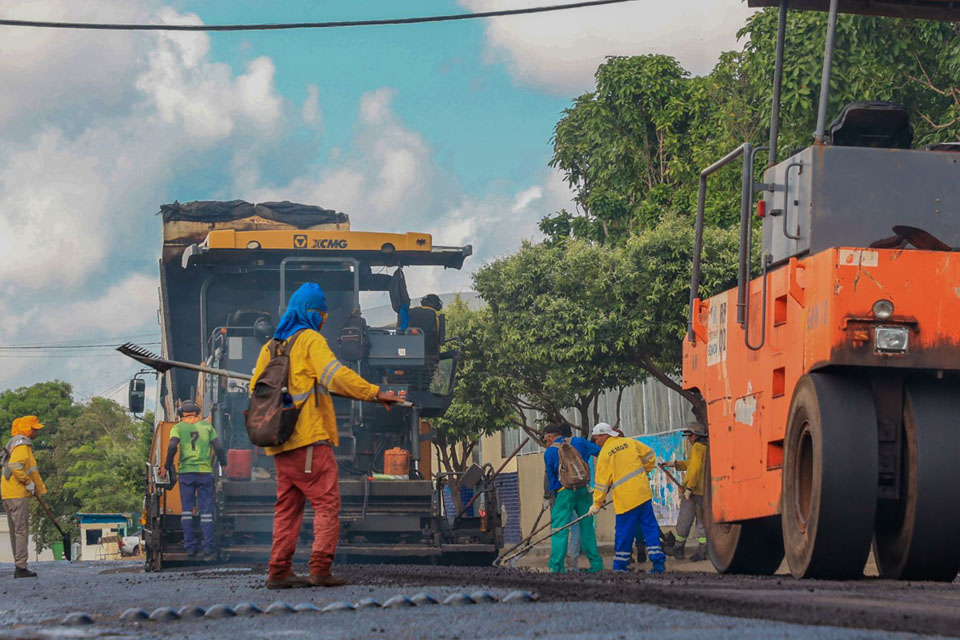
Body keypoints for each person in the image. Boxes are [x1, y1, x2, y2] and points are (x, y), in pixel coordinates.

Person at [252, 283, 399, 589]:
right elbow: (335, 376)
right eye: (320, 314)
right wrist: (375, 393)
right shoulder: (309, 340)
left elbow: (256, 387)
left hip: (280, 444)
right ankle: (320, 569)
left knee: (287, 508)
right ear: (310, 313)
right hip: (309, 442)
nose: (322, 319)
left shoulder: (271, 347)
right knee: (326, 505)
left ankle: (278, 571)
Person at [588, 422, 666, 573]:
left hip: (626, 499)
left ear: (605, 436)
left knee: (624, 532)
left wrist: (597, 503)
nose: (596, 442)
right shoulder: (630, 442)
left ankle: (619, 566)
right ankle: (658, 563)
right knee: (650, 528)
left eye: (597, 439)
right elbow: (650, 455)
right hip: (643, 494)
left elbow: (601, 483)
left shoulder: (605, 453)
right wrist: (645, 471)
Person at [164, 400, 226, 561]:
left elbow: (172, 447)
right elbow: (218, 447)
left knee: (186, 512)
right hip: (204, 473)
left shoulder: (177, 428)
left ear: (181, 415)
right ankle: (208, 548)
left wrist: (166, 466)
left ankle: (190, 548)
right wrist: (224, 464)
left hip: (185, 474)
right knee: (206, 513)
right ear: (198, 414)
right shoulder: (206, 427)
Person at [542, 422, 603, 573]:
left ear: (550, 437)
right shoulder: (579, 442)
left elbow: (551, 478)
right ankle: (596, 565)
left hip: (564, 492)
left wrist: (551, 496)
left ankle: (556, 567)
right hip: (583, 490)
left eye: (545, 439)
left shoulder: (550, 451)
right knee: (587, 527)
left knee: (559, 528)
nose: (546, 442)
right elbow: (602, 453)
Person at [1, 416, 46, 578]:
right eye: (34, 429)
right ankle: (21, 567)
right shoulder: (23, 444)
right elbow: (15, 466)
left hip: (8, 492)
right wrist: (28, 483)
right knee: (21, 531)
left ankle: (19, 564)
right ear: (28, 429)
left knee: (15, 531)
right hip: (18, 493)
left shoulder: (13, 442)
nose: (37, 432)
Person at [666, 423, 708, 561]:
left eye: (689, 436)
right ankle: (704, 551)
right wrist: (675, 464)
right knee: (702, 522)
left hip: (694, 492)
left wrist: (689, 488)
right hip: (705, 492)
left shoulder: (697, 447)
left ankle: (678, 548)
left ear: (695, 435)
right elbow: (691, 464)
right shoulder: (706, 448)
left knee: (685, 520)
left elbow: (695, 469)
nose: (689, 440)